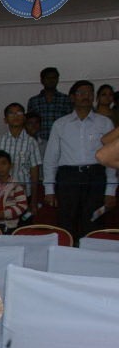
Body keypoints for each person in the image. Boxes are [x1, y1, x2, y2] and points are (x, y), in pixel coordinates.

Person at [42, 80, 117, 241]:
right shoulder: (60, 124)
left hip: (96, 175)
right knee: (66, 222)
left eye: (90, 93)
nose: (86, 96)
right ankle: (66, 260)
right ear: (72, 97)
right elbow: (51, 158)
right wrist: (49, 189)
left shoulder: (104, 123)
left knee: (93, 223)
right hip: (68, 177)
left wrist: (110, 190)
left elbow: (112, 160)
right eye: (81, 93)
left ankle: (90, 261)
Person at [0, 102, 42, 208]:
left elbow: (35, 174)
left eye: (19, 113)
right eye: (11, 113)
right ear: (5, 120)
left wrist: (34, 201)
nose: (16, 116)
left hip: (24, 193)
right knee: (0, 223)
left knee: (23, 224)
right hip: (0, 193)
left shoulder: (31, 142)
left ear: (24, 118)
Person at [27, 66, 72, 142]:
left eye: (54, 78)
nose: (51, 80)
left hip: (61, 140)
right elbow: (28, 124)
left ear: (58, 80)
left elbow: (71, 121)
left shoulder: (66, 99)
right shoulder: (33, 101)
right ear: (42, 80)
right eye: (48, 78)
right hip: (38, 142)